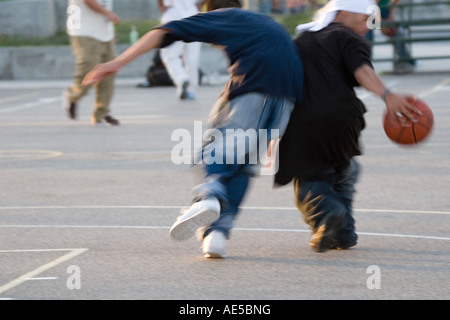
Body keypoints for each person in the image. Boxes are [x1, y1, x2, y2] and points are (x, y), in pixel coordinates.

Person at [82, 0, 304, 258]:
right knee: (243, 164)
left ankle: (208, 197)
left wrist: (117, 63)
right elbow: (275, 60)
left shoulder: (222, 16)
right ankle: (216, 234)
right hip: (286, 99)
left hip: (257, 89)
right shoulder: (263, 23)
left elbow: (164, 31)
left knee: (215, 151)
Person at [274, 0, 421, 252]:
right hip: (345, 121)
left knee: (310, 179)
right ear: (342, 13)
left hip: (306, 122)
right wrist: (387, 95)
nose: (368, 25)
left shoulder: (300, 42)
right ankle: (343, 233)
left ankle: (329, 211)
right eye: (364, 18)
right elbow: (362, 71)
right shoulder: (349, 38)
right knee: (343, 171)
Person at [64, 0, 120, 126]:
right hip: (83, 30)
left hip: (104, 33)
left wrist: (111, 32)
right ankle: (73, 96)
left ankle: (102, 113)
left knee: (108, 73)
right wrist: (108, 14)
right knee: (88, 69)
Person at [157, 0, 203, 100]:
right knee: (192, 57)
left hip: (173, 14)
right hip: (192, 14)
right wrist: (201, 4)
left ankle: (181, 78)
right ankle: (191, 90)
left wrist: (161, 5)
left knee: (169, 54)